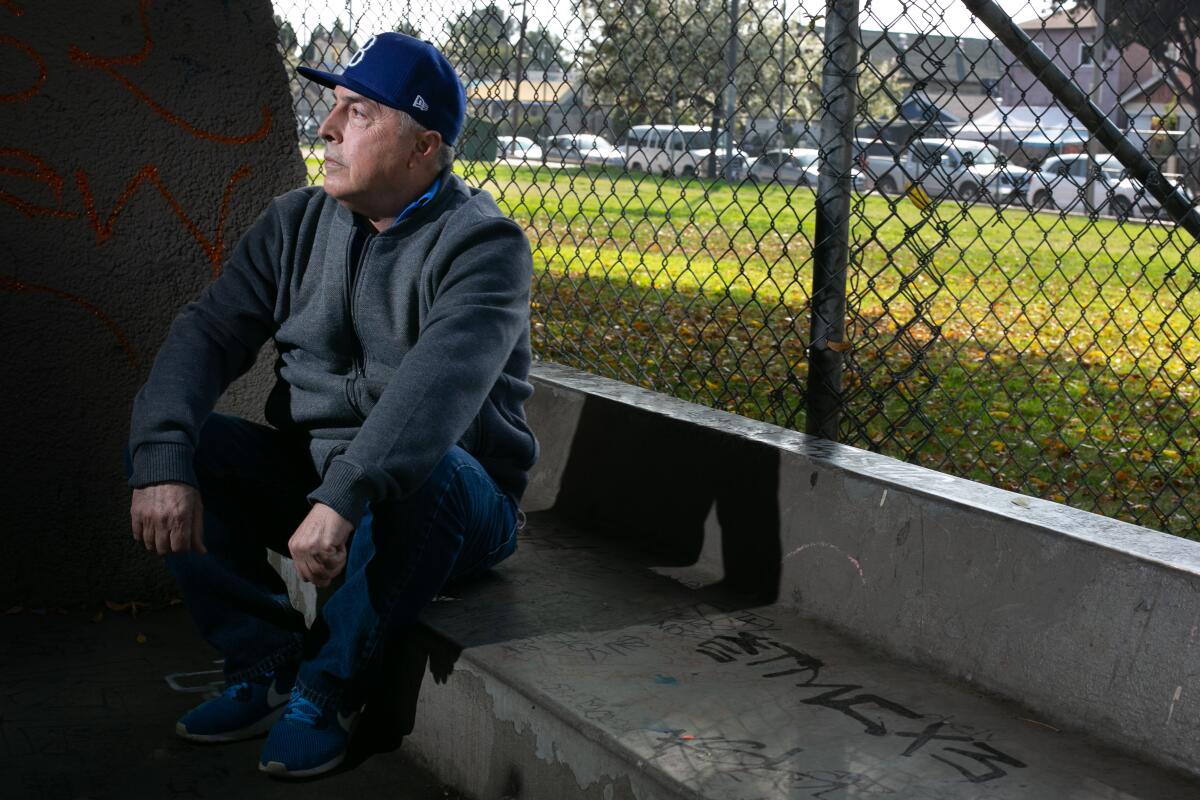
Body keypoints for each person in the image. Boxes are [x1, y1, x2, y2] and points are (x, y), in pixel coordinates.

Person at [124, 33, 537, 779]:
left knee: (429, 468)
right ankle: (265, 661)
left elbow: (436, 388)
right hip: (322, 484)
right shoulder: (294, 223)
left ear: (423, 147)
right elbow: (209, 331)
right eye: (333, 107)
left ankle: (328, 687)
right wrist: (162, 454)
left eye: (359, 112)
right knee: (182, 442)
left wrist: (346, 492)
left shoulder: (485, 245)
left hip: (450, 500)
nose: (327, 128)